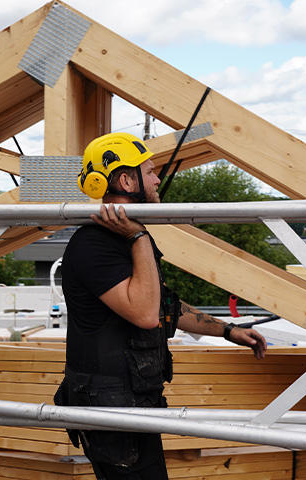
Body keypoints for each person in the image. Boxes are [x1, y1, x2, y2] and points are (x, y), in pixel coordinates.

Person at [54, 132, 267, 479]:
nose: (157, 180)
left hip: (130, 402)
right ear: (126, 179)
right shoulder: (95, 244)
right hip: (111, 409)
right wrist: (138, 237)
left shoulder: (128, 238)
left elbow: (165, 305)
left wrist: (228, 330)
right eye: (150, 171)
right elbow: (144, 313)